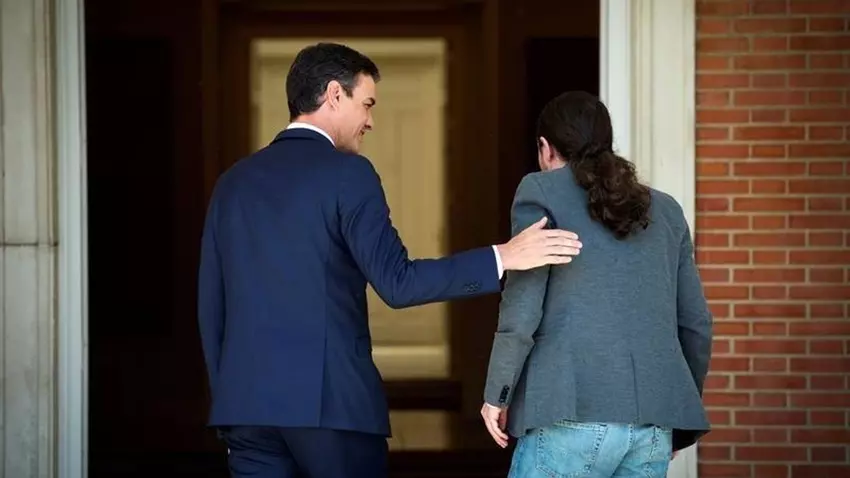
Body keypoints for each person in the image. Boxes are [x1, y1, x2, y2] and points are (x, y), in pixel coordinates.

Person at [197, 42, 583, 478]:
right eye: (367, 104)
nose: (371, 121)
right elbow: (398, 283)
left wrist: (228, 399)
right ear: (334, 94)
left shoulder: (232, 183)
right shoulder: (348, 173)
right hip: (331, 409)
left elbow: (212, 306)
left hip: (245, 411)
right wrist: (503, 256)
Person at [479, 91, 713, 477]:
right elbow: (696, 323)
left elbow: (522, 310)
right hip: (653, 424)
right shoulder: (668, 210)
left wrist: (497, 394)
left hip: (568, 413)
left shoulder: (541, 190)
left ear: (545, 148)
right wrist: (675, 409)